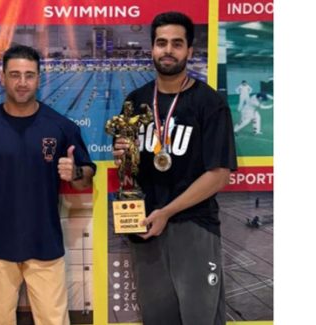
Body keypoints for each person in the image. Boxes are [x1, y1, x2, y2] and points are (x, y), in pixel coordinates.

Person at [0, 45, 96, 325]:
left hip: (45, 243)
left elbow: (87, 174)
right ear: (2, 78)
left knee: (54, 321)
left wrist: (75, 173)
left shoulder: (61, 127)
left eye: (29, 75)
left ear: (39, 79)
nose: (22, 82)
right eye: (15, 75)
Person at [111, 12, 237, 325]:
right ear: (152, 48)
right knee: (157, 318)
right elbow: (128, 166)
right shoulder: (135, 101)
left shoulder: (209, 103)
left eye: (176, 44)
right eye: (161, 43)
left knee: (199, 318)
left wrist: (167, 211)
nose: (168, 50)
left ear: (189, 51)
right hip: (145, 226)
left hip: (193, 225)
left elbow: (219, 174)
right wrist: (122, 157)